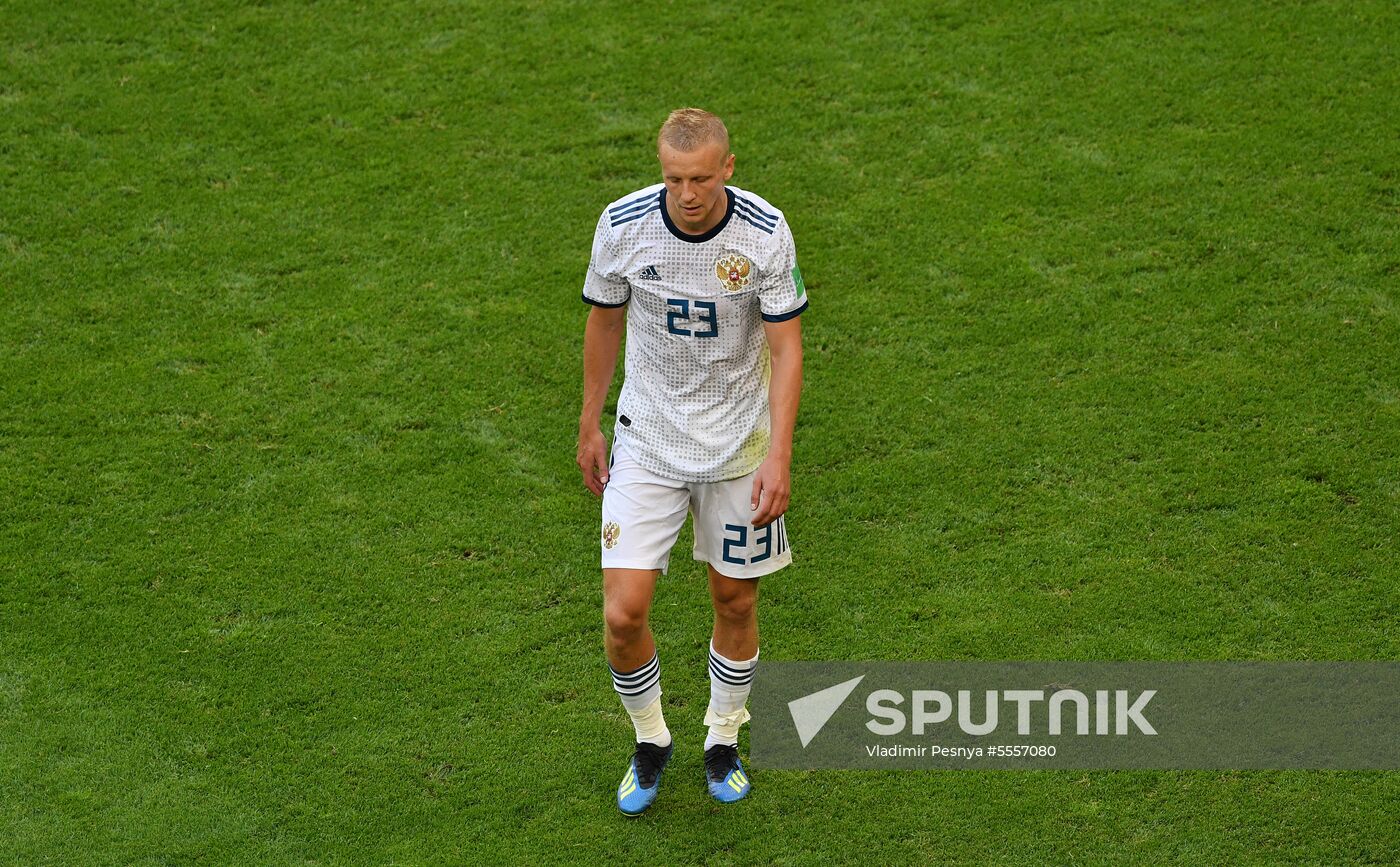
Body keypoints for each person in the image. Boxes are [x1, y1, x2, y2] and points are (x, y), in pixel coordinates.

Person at [576, 108, 807, 815]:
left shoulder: (764, 234)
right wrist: (589, 417)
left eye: (701, 178)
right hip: (647, 438)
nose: (688, 193)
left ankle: (722, 736)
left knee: (735, 598)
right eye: (675, 178)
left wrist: (779, 454)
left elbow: (787, 347)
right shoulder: (623, 224)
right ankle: (650, 740)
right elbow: (604, 318)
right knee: (624, 612)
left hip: (739, 447)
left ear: (727, 169)